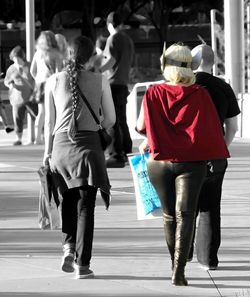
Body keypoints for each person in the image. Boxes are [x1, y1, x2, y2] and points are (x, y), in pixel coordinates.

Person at [136, 43, 230, 286]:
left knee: (169, 216)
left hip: (159, 162)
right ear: (190, 65)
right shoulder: (200, 94)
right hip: (191, 164)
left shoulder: (153, 92)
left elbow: (140, 127)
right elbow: (211, 132)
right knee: (186, 215)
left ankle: (173, 263)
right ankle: (178, 271)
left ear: (165, 65)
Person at [43, 36, 116, 279]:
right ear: (91, 57)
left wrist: (47, 153)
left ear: (68, 54)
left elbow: (49, 123)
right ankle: (82, 265)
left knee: (68, 199)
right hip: (89, 150)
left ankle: (68, 248)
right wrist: (96, 125)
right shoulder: (101, 80)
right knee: (86, 207)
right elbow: (111, 120)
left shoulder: (53, 81)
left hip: (61, 149)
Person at [190, 44, 241, 270]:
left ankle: (184, 253)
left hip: (187, 156)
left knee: (186, 205)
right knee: (211, 207)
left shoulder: (184, 85)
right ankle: (208, 259)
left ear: (194, 61)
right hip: (215, 155)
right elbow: (232, 126)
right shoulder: (223, 86)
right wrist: (223, 146)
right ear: (213, 61)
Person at [100, 11, 134, 168]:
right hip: (123, 82)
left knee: (112, 120)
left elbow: (111, 60)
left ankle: (115, 154)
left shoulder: (113, 38)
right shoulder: (127, 39)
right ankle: (127, 151)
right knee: (122, 119)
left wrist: (96, 70)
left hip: (112, 83)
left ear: (109, 25)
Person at [30, 30, 63, 144]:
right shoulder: (56, 53)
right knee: (53, 113)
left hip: (40, 84)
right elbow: (59, 72)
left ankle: (37, 137)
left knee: (41, 113)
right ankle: (50, 137)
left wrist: (38, 79)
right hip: (52, 83)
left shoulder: (38, 53)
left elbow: (32, 71)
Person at [4, 46, 34, 145]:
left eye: (18, 59)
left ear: (22, 57)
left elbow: (36, 78)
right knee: (17, 118)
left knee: (37, 116)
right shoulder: (11, 68)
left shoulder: (30, 65)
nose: (16, 62)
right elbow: (6, 81)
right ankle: (19, 138)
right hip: (16, 98)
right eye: (14, 60)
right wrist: (9, 84)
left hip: (31, 96)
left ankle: (41, 135)